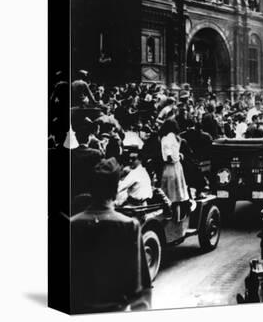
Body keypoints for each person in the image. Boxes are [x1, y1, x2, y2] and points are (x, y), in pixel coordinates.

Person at [71, 158, 152, 313]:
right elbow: (140, 290)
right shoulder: (129, 226)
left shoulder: (72, 225)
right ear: (115, 190)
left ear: (91, 189)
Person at [160, 119, 190, 211]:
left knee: (169, 194)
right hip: (177, 166)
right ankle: (179, 215)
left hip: (169, 167)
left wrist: (172, 158)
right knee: (178, 194)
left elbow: (168, 155)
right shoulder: (177, 138)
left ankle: (171, 214)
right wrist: (178, 157)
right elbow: (175, 152)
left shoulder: (165, 138)